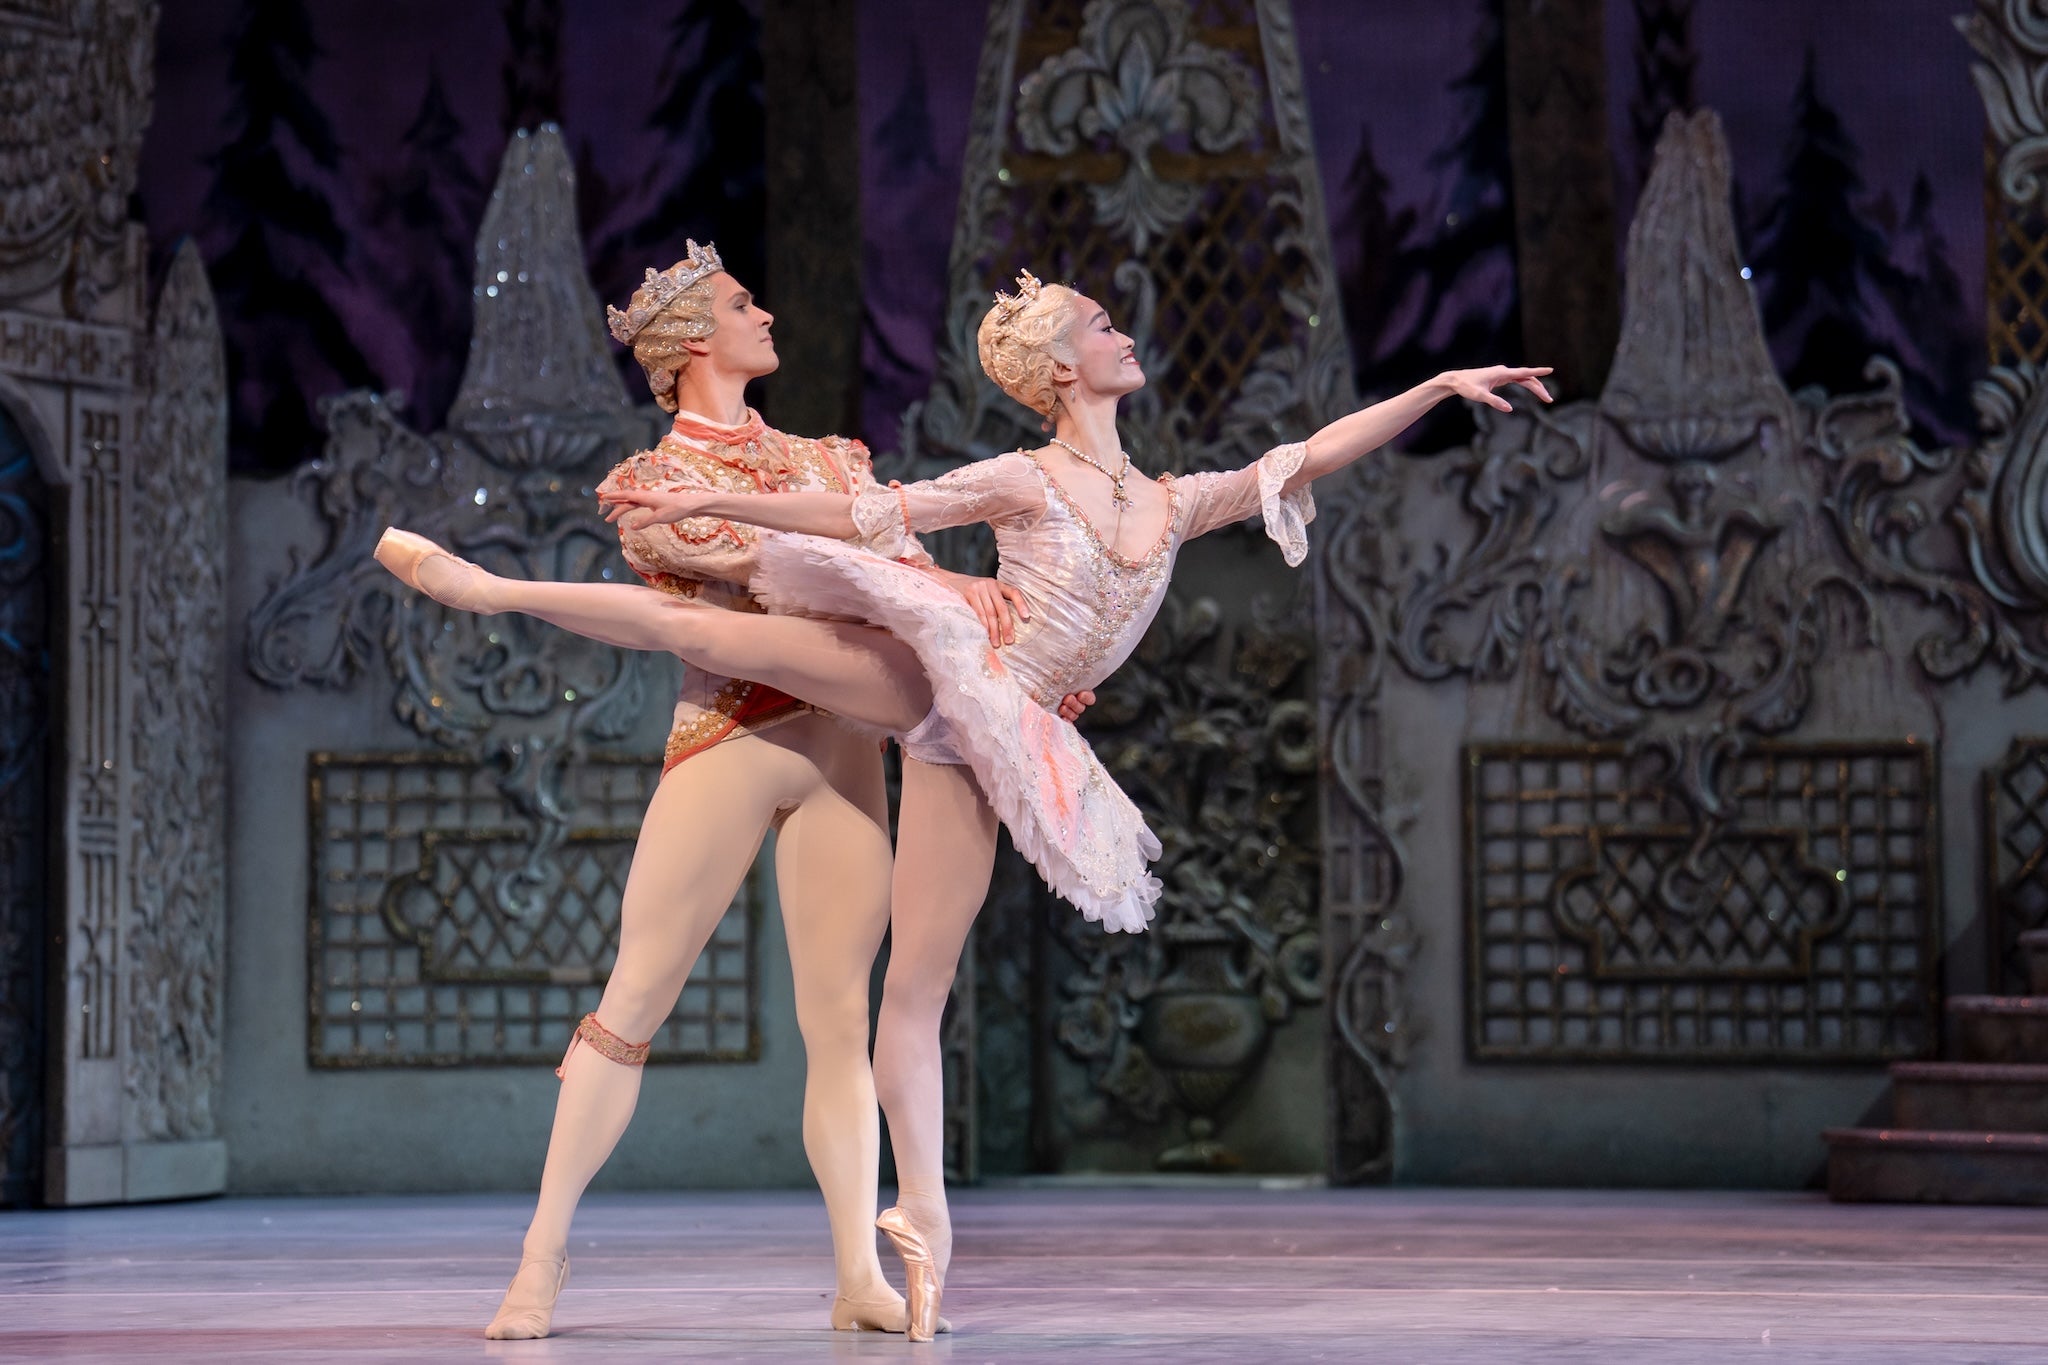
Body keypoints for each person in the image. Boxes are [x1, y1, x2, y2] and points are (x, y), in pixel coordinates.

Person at [378, 266, 1551, 1336]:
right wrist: (781, 540)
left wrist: (1438, 384)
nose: (768, 315)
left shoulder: (1088, 487)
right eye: (744, 306)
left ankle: (880, 1262)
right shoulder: (752, 474)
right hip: (782, 714)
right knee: (645, 978)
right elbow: (845, 544)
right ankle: (493, 595)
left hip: (926, 728)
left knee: (879, 1006)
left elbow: (1287, 463)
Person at [432, 244, 1079, 1341]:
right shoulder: (650, 484)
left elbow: (900, 582)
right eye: (740, 305)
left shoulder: (830, 461)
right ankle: (540, 1259)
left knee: (839, 1020)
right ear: (691, 341)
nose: (764, 312)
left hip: (839, 743)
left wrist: (1015, 645)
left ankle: (856, 1276)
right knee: (633, 999)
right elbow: (764, 573)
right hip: (731, 730)